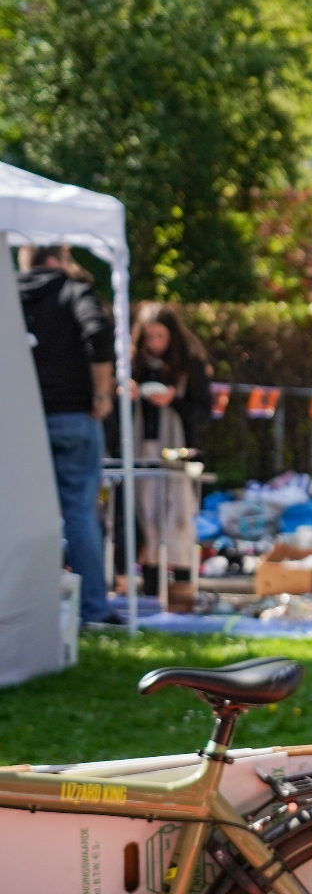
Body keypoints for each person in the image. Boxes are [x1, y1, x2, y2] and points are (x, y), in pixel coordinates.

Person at [18, 245, 116, 624]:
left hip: (23, 420)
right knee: (79, 514)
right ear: (58, 258)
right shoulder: (73, 289)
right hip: (73, 415)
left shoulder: (11, 294)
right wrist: (102, 393)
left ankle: (25, 607)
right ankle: (93, 608)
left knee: (21, 517)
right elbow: (99, 332)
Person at [128, 302, 213, 587]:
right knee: (147, 514)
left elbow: (202, 412)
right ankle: (151, 584)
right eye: (149, 337)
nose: (154, 343)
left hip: (179, 451)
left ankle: (182, 586)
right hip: (143, 449)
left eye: (160, 336)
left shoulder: (189, 365)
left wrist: (174, 400)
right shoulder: (135, 365)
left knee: (179, 514)